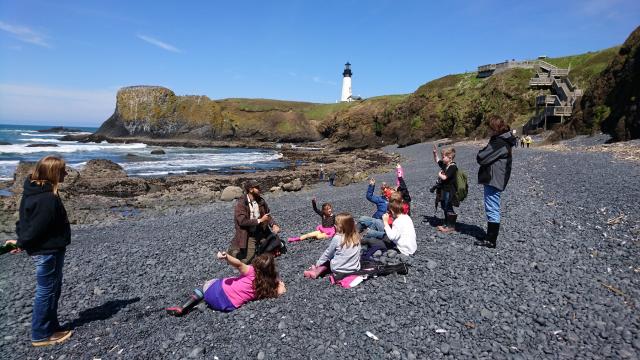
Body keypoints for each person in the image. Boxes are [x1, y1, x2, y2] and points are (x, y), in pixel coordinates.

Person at [6, 155, 73, 346]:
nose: (66, 174)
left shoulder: (33, 190)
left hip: (45, 249)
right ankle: (41, 334)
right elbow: (37, 226)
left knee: (51, 289)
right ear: (53, 172)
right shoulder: (47, 197)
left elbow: (24, 220)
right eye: (62, 171)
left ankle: (50, 327)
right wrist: (21, 242)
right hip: (48, 250)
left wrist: (20, 239)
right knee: (47, 290)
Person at [166, 252, 286, 316]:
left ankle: (184, 307)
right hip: (227, 306)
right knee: (231, 283)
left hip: (217, 292)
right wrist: (280, 285)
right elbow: (281, 291)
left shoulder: (251, 270)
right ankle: (202, 302)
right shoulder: (267, 287)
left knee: (208, 283)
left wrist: (226, 256)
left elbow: (238, 264)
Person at [476, 117, 517, 248]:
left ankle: (491, 240)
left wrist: (482, 151)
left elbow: (481, 157)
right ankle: (490, 236)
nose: (488, 131)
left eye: (489, 128)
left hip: (494, 179)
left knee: (492, 208)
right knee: (492, 207)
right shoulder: (504, 140)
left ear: (494, 128)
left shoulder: (500, 142)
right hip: (496, 178)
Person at [228, 180, 281, 264]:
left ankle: (260, 247)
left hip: (261, 231)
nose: (260, 189)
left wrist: (274, 224)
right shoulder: (241, 203)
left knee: (277, 244)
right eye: (257, 187)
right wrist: (260, 220)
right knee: (247, 260)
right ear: (250, 189)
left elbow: (268, 215)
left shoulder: (261, 201)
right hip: (249, 234)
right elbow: (242, 221)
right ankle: (230, 254)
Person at [303, 213, 361, 280]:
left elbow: (328, 253)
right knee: (341, 253)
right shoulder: (356, 236)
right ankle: (315, 270)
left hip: (339, 269)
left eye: (335, 224)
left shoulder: (338, 238)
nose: (334, 226)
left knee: (329, 260)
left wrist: (318, 263)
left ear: (340, 227)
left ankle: (316, 271)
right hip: (354, 268)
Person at [432, 145, 458, 233]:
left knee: (448, 206)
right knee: (444, 206)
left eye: (444, 157)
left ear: (450, 157)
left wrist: (439, 174)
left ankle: (451, 226)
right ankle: (446, 223)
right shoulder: (445, 164)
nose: (442, 158)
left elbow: (445, 177)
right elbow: (437, 160)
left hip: (449, 190)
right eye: (442, 156)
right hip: (444, 189)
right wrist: (435, 153)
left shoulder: (453, 167)